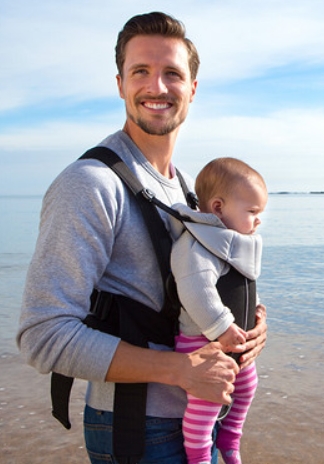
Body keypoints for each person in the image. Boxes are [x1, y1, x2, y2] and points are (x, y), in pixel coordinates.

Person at [16, 12, 267, 464]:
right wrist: (181, 370)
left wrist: (251, 327)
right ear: (119, 84)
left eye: (172, 73)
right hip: (139, 430)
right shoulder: (90, 184)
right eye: (141, 72)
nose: (157, 87)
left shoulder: (193, 190)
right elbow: (42, 334)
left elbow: (201, 286)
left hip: (201, 414)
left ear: (192, 89)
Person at [168, 157, 267, 464]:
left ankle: (229, 438)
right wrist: (222, 326)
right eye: (251, 212)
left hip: (234, 343)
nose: (258, 220)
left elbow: (240, 285)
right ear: (219, 207)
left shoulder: (227, 242)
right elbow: (195, 288)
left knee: (248, 385)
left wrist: (258, 313)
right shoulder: (197, 244)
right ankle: (198, 456)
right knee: (207, 402)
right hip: (203, 344)